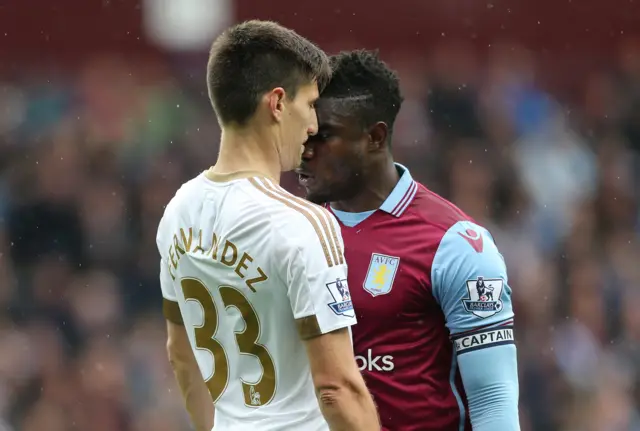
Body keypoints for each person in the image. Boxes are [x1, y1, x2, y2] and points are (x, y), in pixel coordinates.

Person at [157, 22, 379, 431]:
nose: (313, 125)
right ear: (277, 103)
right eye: (310, 105)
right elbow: (337, 389)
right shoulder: (303, 224)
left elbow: (181, 355)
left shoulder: (178, 210)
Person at [297, 49, 520, 431]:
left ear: (375, 136)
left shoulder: (455, 245)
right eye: (304, 135)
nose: (306, 151)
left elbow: (493, 400)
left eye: (325, 136)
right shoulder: (294, 234)